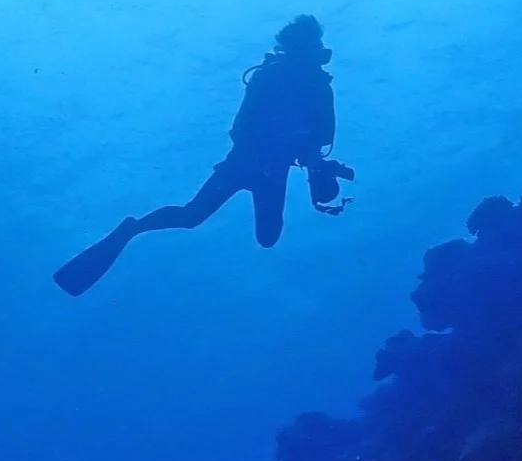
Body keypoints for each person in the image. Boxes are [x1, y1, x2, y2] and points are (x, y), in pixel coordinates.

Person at [52, 15, 354, 296]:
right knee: (193, 216)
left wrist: (318, 166)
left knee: (263, 236)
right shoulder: (271, 78)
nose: (314, 51)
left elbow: (320, 138)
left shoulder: (316, 86)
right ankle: (133, 228)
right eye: (309, 45)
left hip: (269, 169)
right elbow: (246, 126)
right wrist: (298, 152)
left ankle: (134, 227)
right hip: (246, 163)